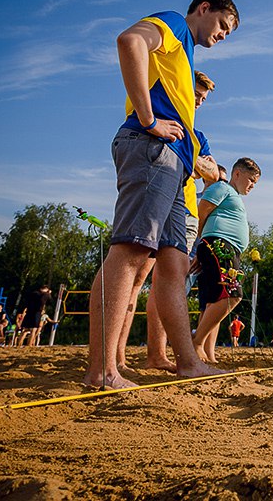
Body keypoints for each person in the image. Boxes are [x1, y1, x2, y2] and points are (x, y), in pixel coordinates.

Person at [85, 0, 238, 389]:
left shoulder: (185, 56)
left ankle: (187, 362)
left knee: (172, 266)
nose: (223, 35)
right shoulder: (173, 23)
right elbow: (129, 41)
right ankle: (102, 371)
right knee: (133, 250)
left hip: (175, 166)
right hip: (151, 147)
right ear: (204, 9)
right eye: (223, 24)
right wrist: (149, 119)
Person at [116, 70, 223, 373]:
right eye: (196, 95)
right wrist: (191, 161)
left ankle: (157, 355)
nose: (198, 101)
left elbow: (213, 174)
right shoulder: (160, 117)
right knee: (135, 274)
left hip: (184, 209)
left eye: (202, 98)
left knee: (169, 279)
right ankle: (117, 358)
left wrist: (188, 159)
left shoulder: (196, 136)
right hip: (157, 193)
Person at [193, 157, 261, 362]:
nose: (252, 186)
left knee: (214, 302)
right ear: (237, 174)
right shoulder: (222, 188)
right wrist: (202, 246)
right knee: (232, 294)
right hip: (220, 245)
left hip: (224, 248)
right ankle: (196, 342)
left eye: (255, 183)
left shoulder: (233, 195)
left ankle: (207, 353)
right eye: (250, 180)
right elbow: (202, 212)